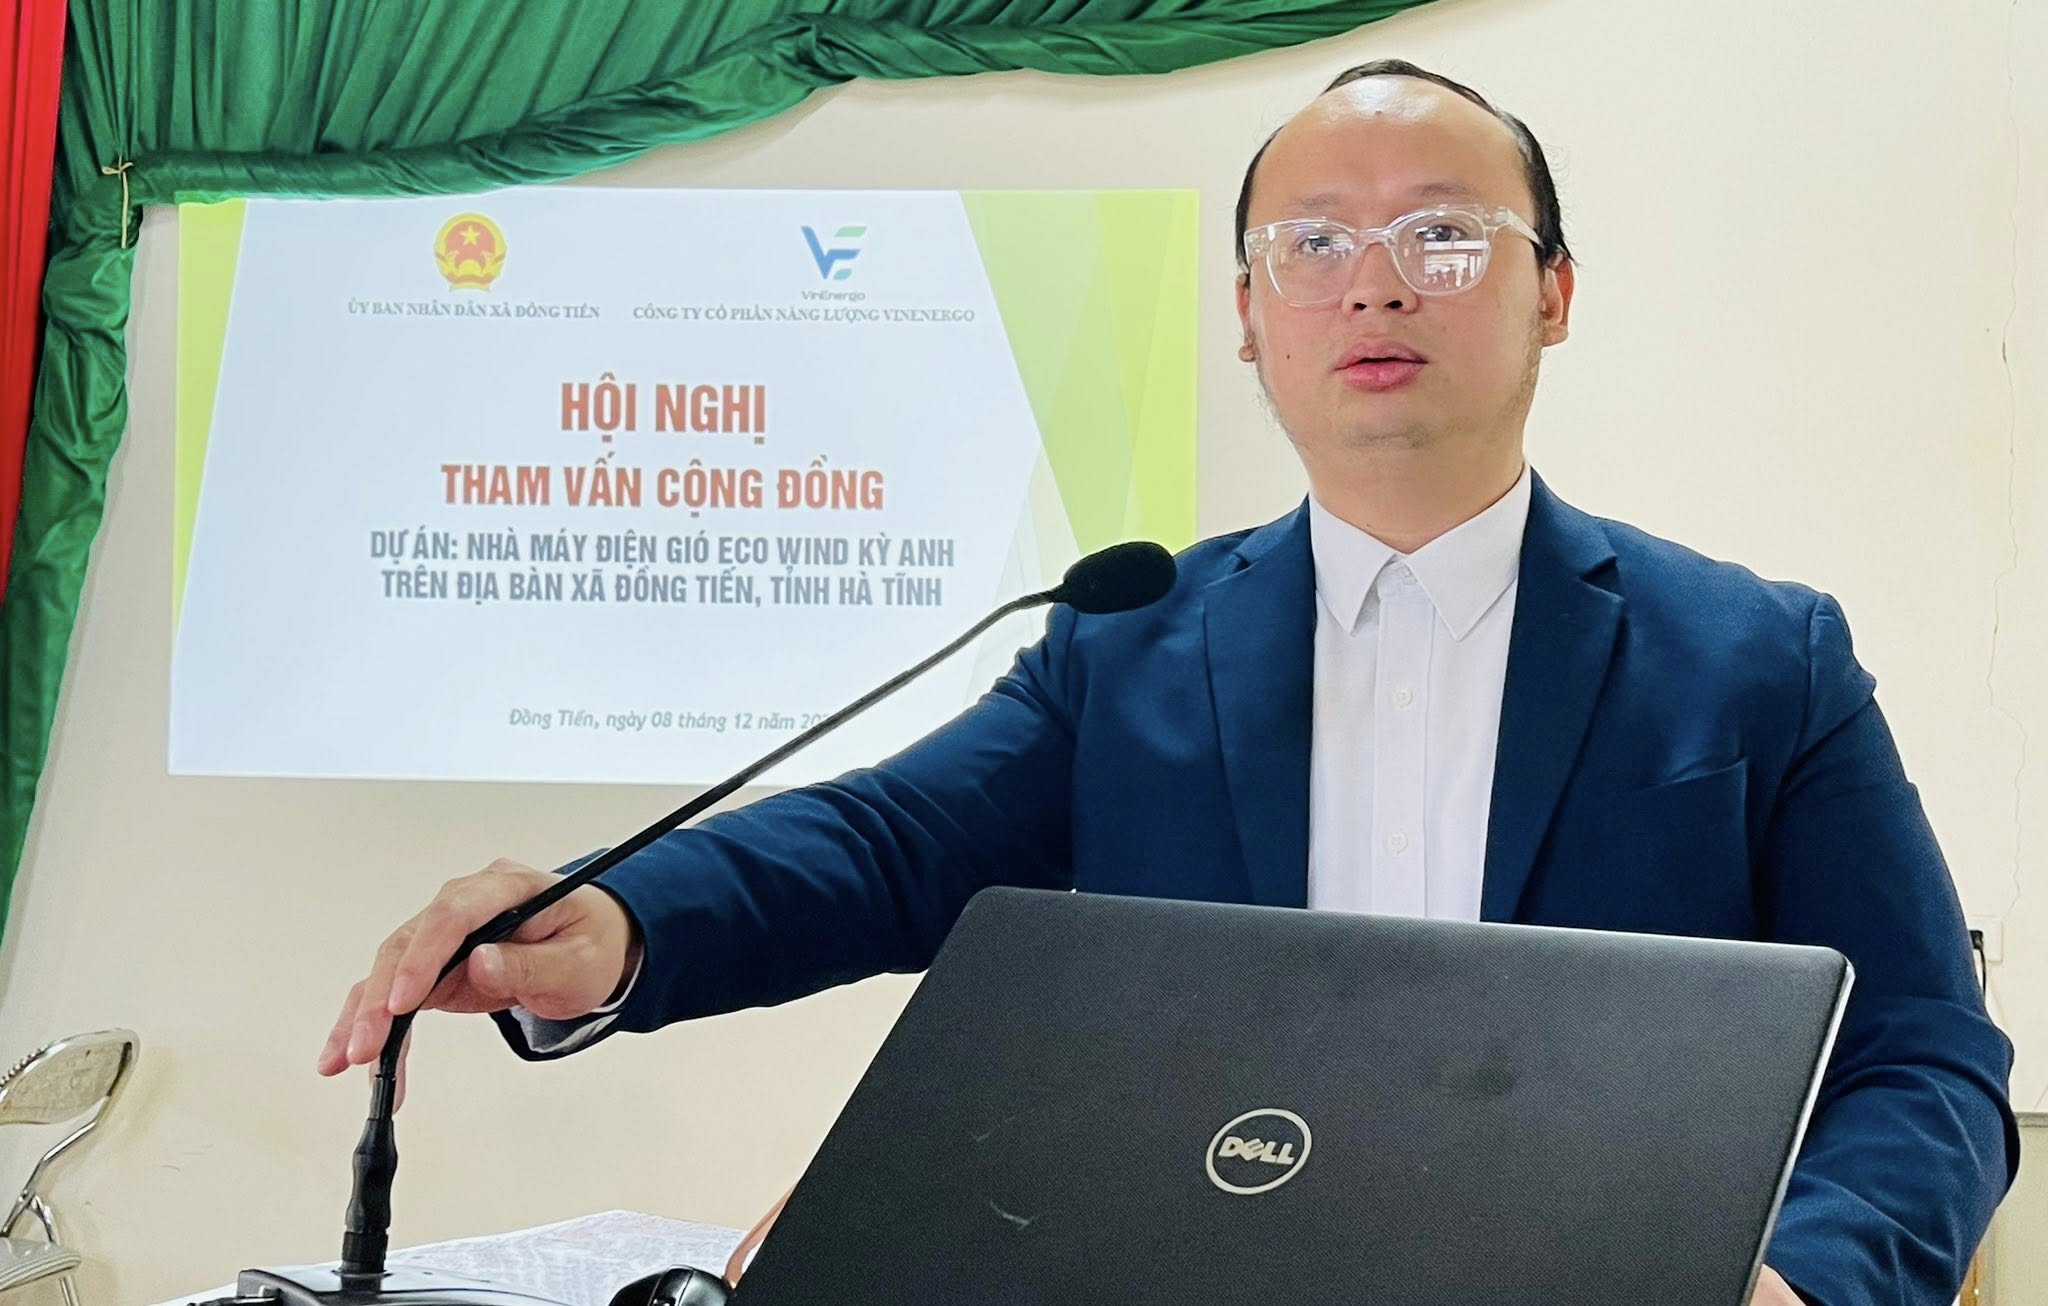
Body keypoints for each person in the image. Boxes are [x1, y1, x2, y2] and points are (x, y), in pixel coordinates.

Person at [317, 60, 2017, 1306]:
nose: (1374, 279)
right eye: (1312, 241)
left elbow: (1928, 1057)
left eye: (1443, 233)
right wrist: (619, 922)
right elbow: (887, 843)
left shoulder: (1759, 658)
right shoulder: (1129, 640)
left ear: (1554, 293)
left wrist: (1809, 1278)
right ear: (1248, 313)